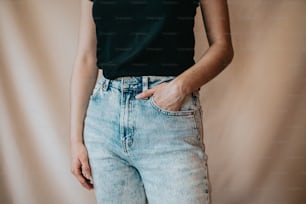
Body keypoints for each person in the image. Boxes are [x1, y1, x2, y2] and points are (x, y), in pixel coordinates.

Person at [70, 0, 233, 203]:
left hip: (169, 123)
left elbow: (223, 47)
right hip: (104, 123)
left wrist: (179, 87)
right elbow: (86, 58)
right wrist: (76, 140)